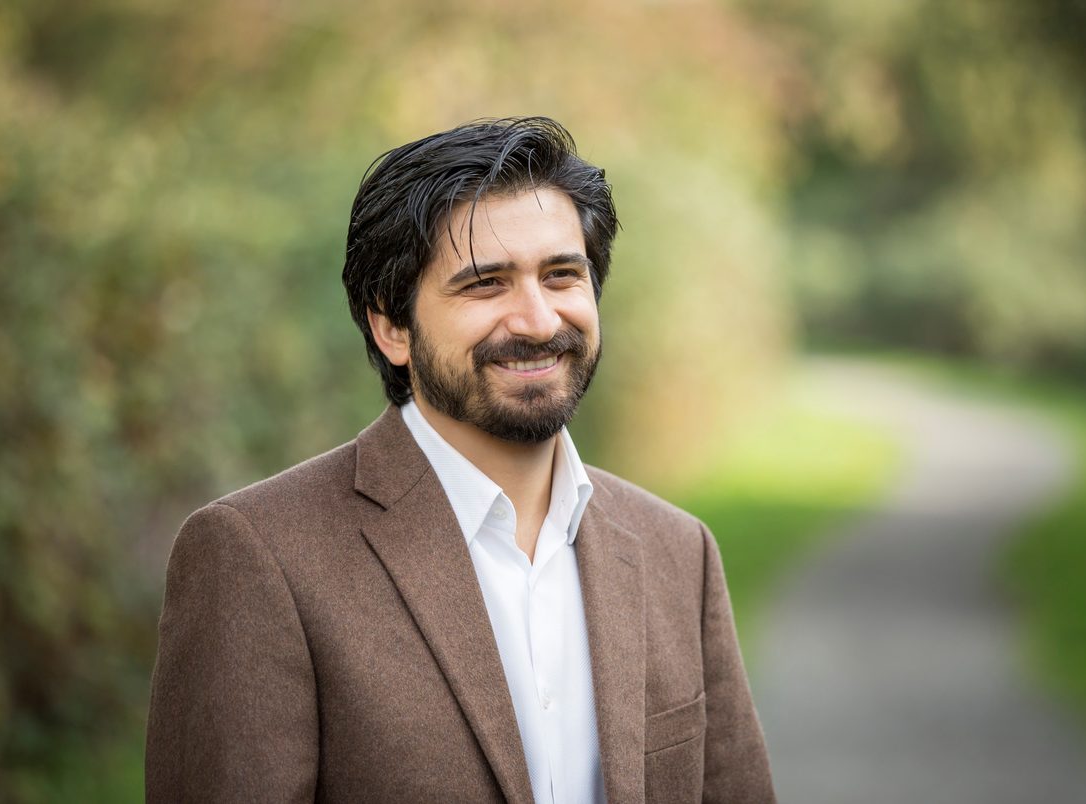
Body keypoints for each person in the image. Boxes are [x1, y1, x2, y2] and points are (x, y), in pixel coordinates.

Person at [145, 117, 775, 803]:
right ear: (391, 326)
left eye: (562, 275)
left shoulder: (678, 552)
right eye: (486, 284)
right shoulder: (256, 556)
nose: (537, 320)